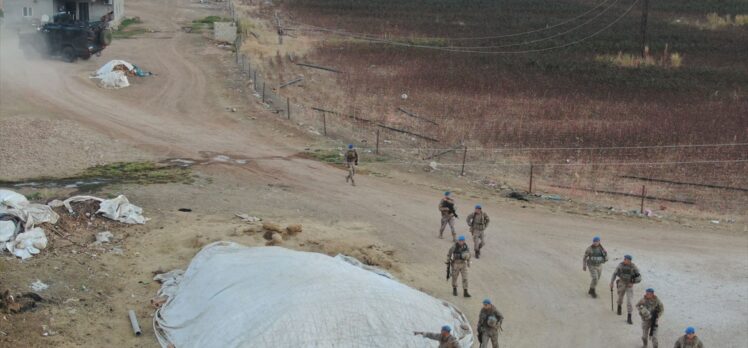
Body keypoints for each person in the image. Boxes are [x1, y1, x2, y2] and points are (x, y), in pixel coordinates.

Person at [610, 254, 641, 324]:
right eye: (625, 259)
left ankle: (629, 316)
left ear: (630, 261)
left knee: (629, 301)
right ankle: (619, 306)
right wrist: (611, 282)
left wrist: (633, 282)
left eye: (627, 260)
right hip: (622, 283)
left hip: (629, 285)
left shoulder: (633, 267)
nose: (625, 261)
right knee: (620, 297)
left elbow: (639, 277)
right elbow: (614, 274)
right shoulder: (620, 265)